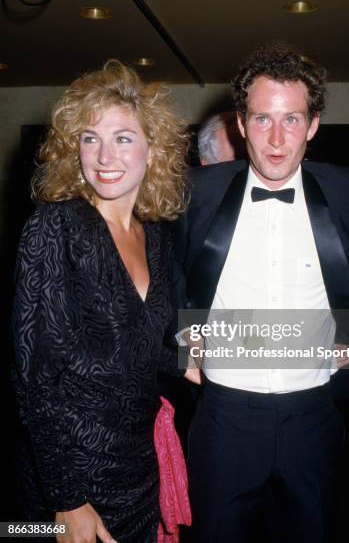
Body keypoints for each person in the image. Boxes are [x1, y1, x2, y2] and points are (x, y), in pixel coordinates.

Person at [173, 41, 349, 543]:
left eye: (293, 120)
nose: (277, 139)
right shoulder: (198, 192)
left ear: (315, 124)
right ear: (241, 123)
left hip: (315, 415)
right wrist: (179, 341)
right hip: (223, 417)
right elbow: (160, 269)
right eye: (262, 119)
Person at [11, 60, 197, 543]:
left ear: (152, 152)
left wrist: (190, 362)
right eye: (90, 137)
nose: (103, 154)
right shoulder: (55, 227)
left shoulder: (153, 236)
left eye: (123, 138)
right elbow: (32, 376)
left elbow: (140, 350)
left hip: (136, 467)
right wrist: (66, 500)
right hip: (69, 476)